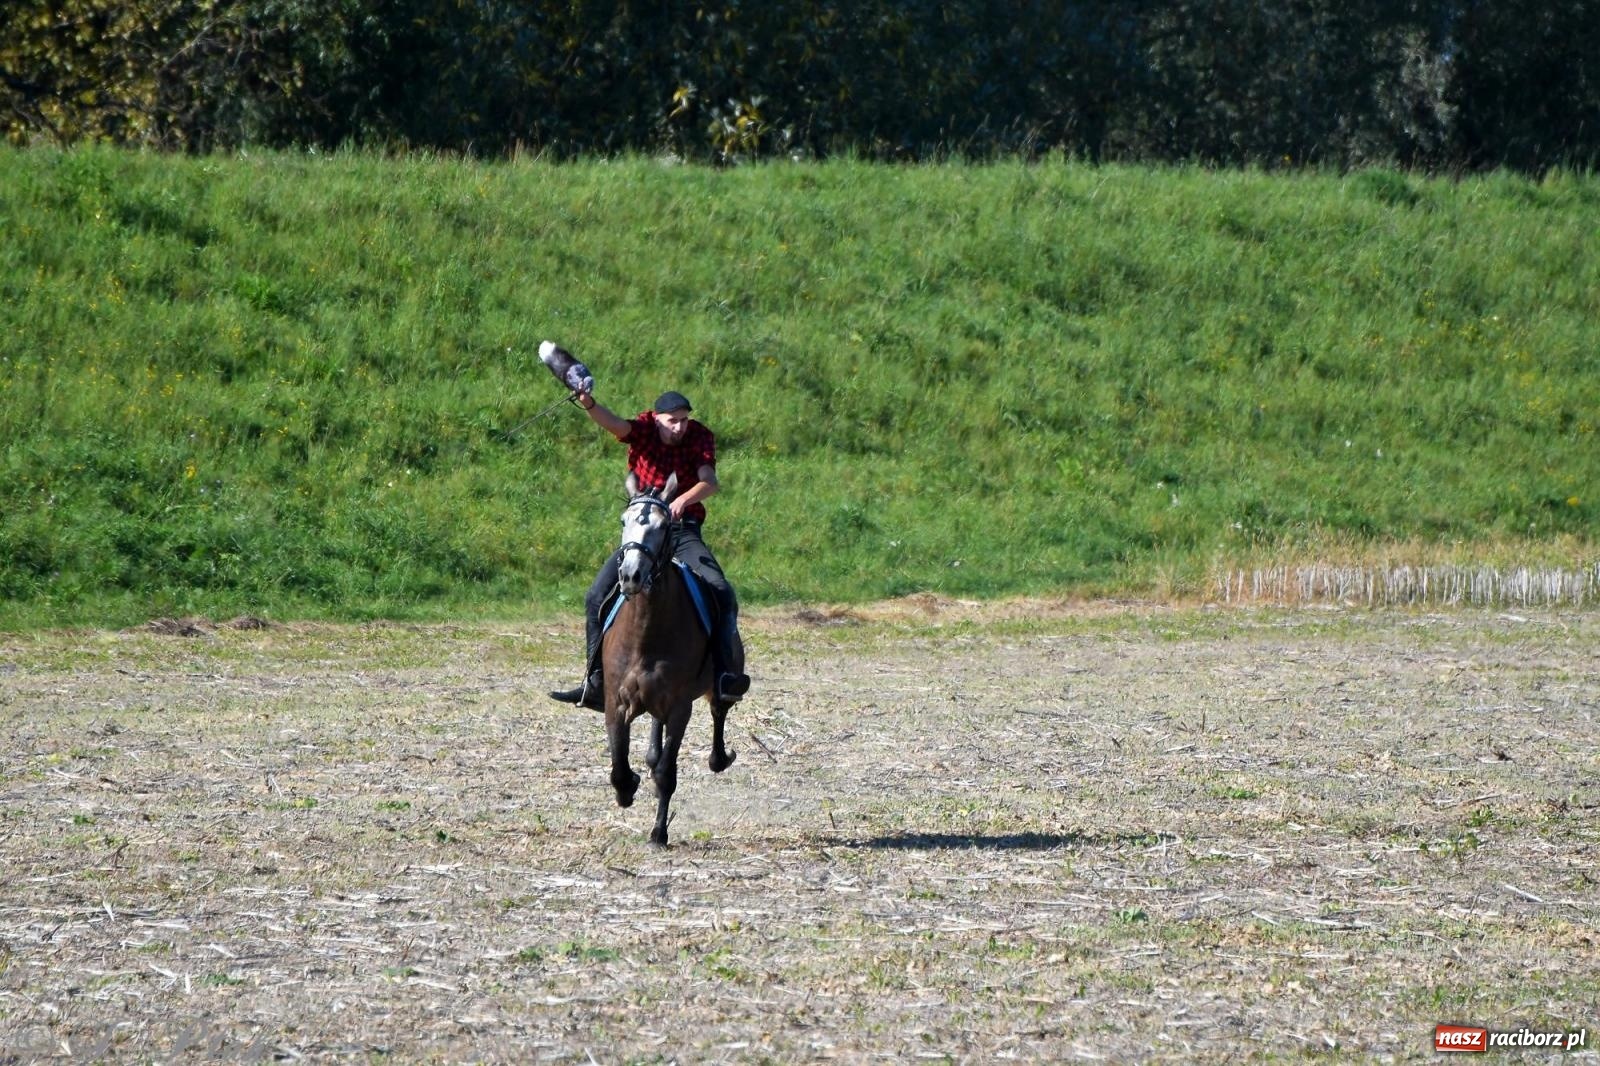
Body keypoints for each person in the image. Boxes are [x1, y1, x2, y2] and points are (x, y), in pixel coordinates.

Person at [549, 387, 751, 710]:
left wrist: (684, 499)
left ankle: (724, 676)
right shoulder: (643, 430)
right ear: (657, 419)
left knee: (721, 590)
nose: (680, 427)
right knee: (594, 597)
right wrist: (587, 401)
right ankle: (596, 680)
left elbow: (709, 480)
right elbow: (614, 424)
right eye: (673, 421)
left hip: (682, 531)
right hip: (643, 533)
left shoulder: (699, 436)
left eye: (684, 420)